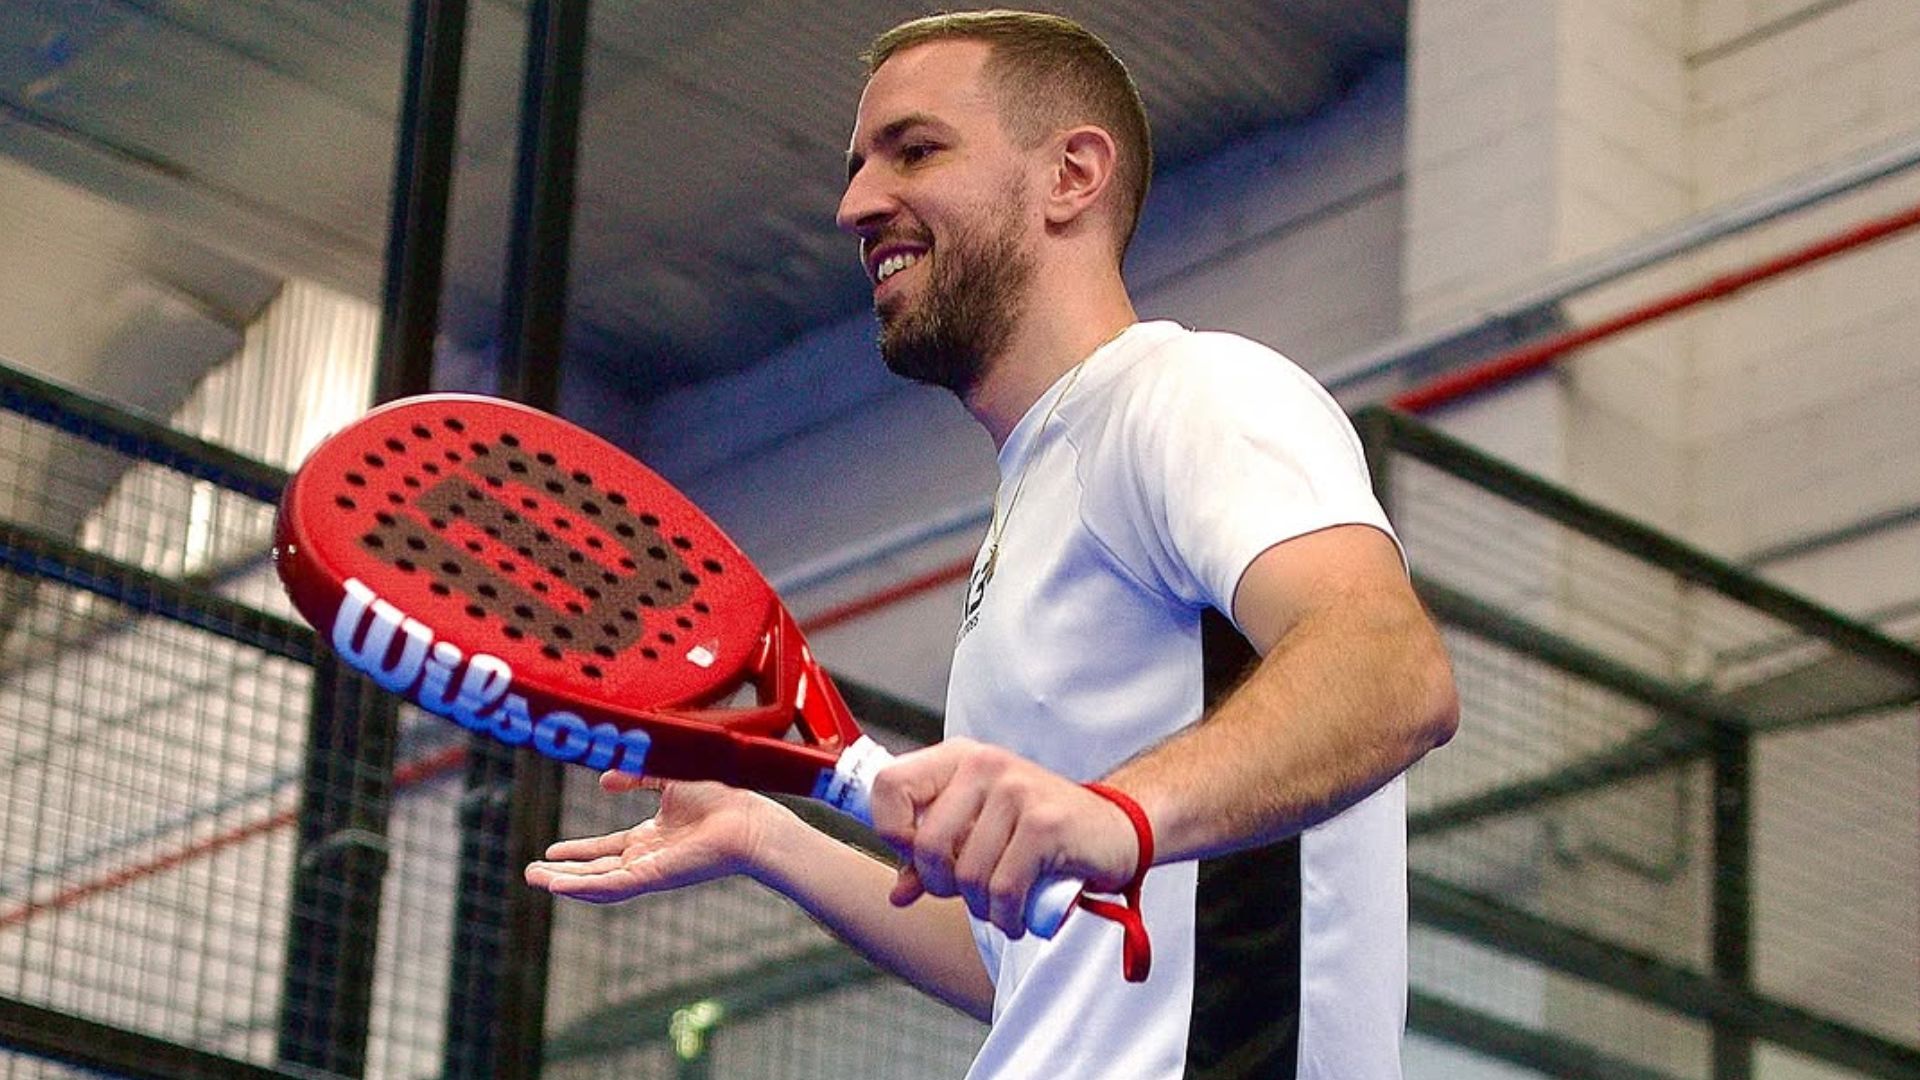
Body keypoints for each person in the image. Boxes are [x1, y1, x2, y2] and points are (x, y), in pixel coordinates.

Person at [526, 10, 1458, 1078]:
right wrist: (765, 837)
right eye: (857, 165)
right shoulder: (1030, 504)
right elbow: (1025, 962)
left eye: (915, 150)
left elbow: (1392, 666)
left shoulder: (1192, 396)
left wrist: (1114, 815)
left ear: (1072, 175)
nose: (854, 205)